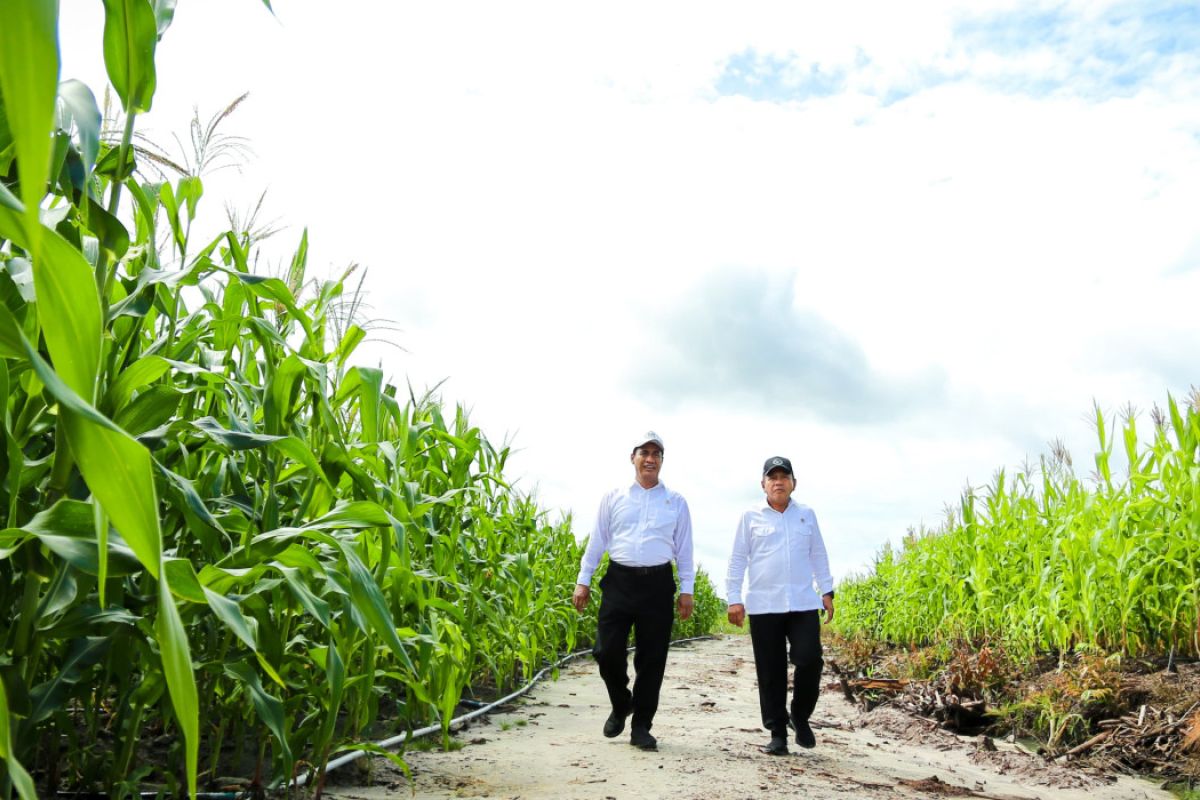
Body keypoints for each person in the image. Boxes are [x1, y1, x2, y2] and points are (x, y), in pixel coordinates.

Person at [571, 431, 695, 751]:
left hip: (657, 584)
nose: (650, 459)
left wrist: (687, 590)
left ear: (662, 462)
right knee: (606, 651)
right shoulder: (613, 498)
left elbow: (684, 550)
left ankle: (641, 725)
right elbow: (597, 541)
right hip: (619, 581)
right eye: (644, 452)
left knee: (652, 659)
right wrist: (583, 581)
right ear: (633, 458)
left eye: (656, 454)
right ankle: (621, 701)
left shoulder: (676, 502)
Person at [725, 456, 834, 756]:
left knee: (809, 659)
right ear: (763, 484)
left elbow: (818, 554)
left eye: (783, 476)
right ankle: (777, 733)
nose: (778, 481)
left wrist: (827, 590)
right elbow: (737, 559)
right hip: (764, 605)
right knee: (770, 671)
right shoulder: (750, 517)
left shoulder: (806, 515)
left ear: (793, 483)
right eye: (772, 477)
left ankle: (799, 715)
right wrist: (734, 597)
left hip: (802, 603)